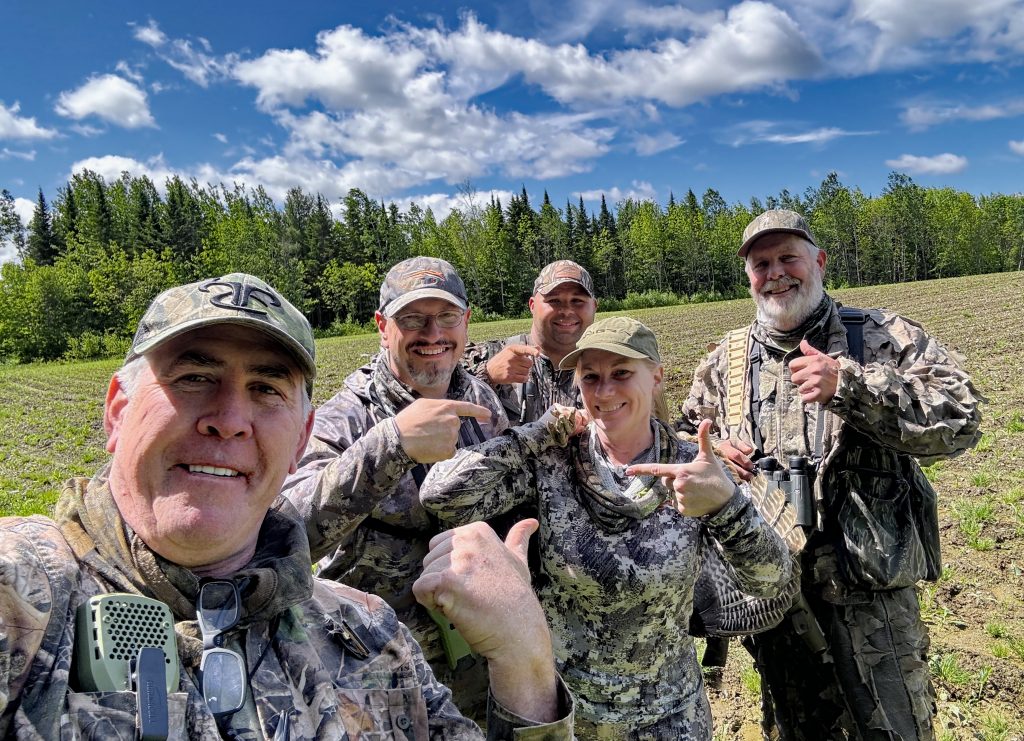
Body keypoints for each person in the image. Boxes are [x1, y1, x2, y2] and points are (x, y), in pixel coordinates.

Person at [0, 272, 573, 739]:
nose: (228, 419)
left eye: (266, 388)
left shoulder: (369, 640)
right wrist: (389, 444)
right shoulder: (26, 593)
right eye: (195, 376)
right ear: (118, 411)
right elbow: (295, 505)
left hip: (457, 639)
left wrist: (524, 665)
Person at [678, 210, 984, 740]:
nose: (776, 273)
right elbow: (681, 440)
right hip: (771, 594)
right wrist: (711, 455)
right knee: (797, 729)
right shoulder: (723, 363)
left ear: (818, 262)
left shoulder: (883, 337)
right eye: (761, 263)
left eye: (788, 258)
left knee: (895, 728)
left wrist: (850, 386)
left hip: (870, 595)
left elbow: (961, 419)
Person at [422, 316, 792, 739]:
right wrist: (532, 435)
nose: (604, 391)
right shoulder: (552, 461)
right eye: (590, 377)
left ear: (656, 376)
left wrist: (727, 507)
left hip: (669, 717)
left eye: (621, 373)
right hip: (564, 714)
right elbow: (440, 496)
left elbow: (771, 582)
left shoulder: (695, 469)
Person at [280, 256, 510, 717]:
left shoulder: (480, 398)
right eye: (412, 319)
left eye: (446, 317)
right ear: (383, 326)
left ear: (466, 324)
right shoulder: (343, 419)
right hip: (378, 670)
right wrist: (392, 445)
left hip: (476, 651)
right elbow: (287, 530)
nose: (432, 334)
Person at [464, 259, 598, 424]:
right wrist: (487, 376)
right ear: (532, 305)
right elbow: (436, 407)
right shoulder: (487, 356)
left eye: (578, 301)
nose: (566, 311)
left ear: (594, 307)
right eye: (554, 300)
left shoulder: (608, 368)